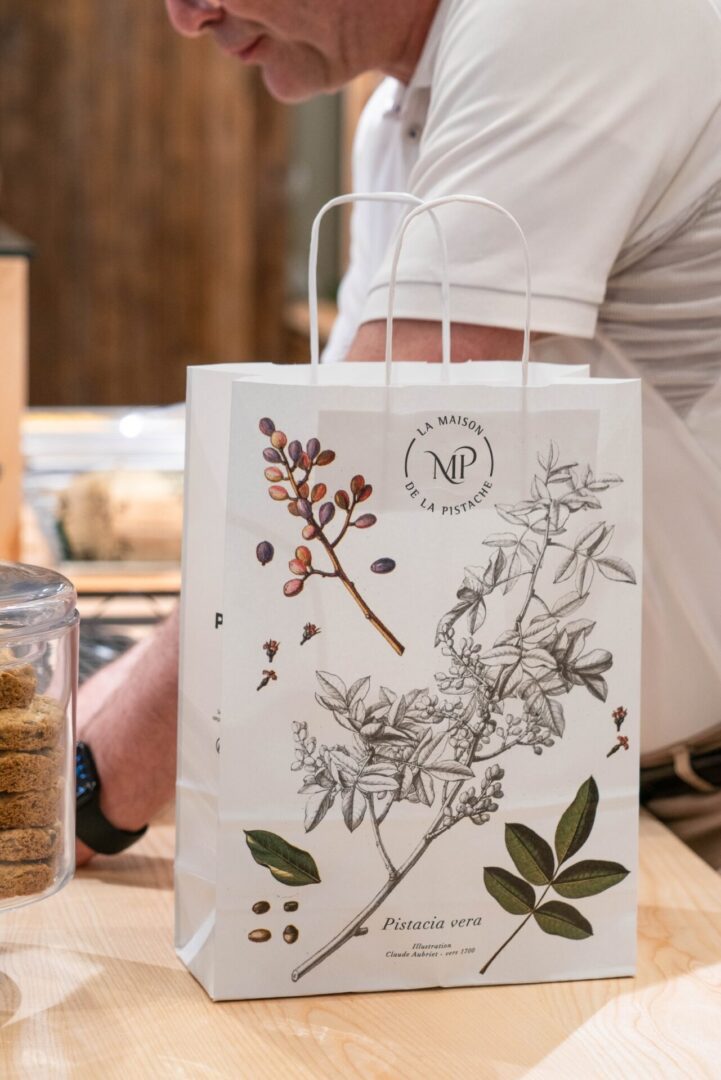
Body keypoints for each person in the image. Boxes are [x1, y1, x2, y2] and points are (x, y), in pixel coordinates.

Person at [76, 0, 721, 864]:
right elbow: (316, 489)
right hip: (569, 794)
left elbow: (361, 472)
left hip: (690, 813)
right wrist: (78, 727)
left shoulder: (564, 15)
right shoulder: (395, 118)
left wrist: (91, 788)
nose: (188, 16)